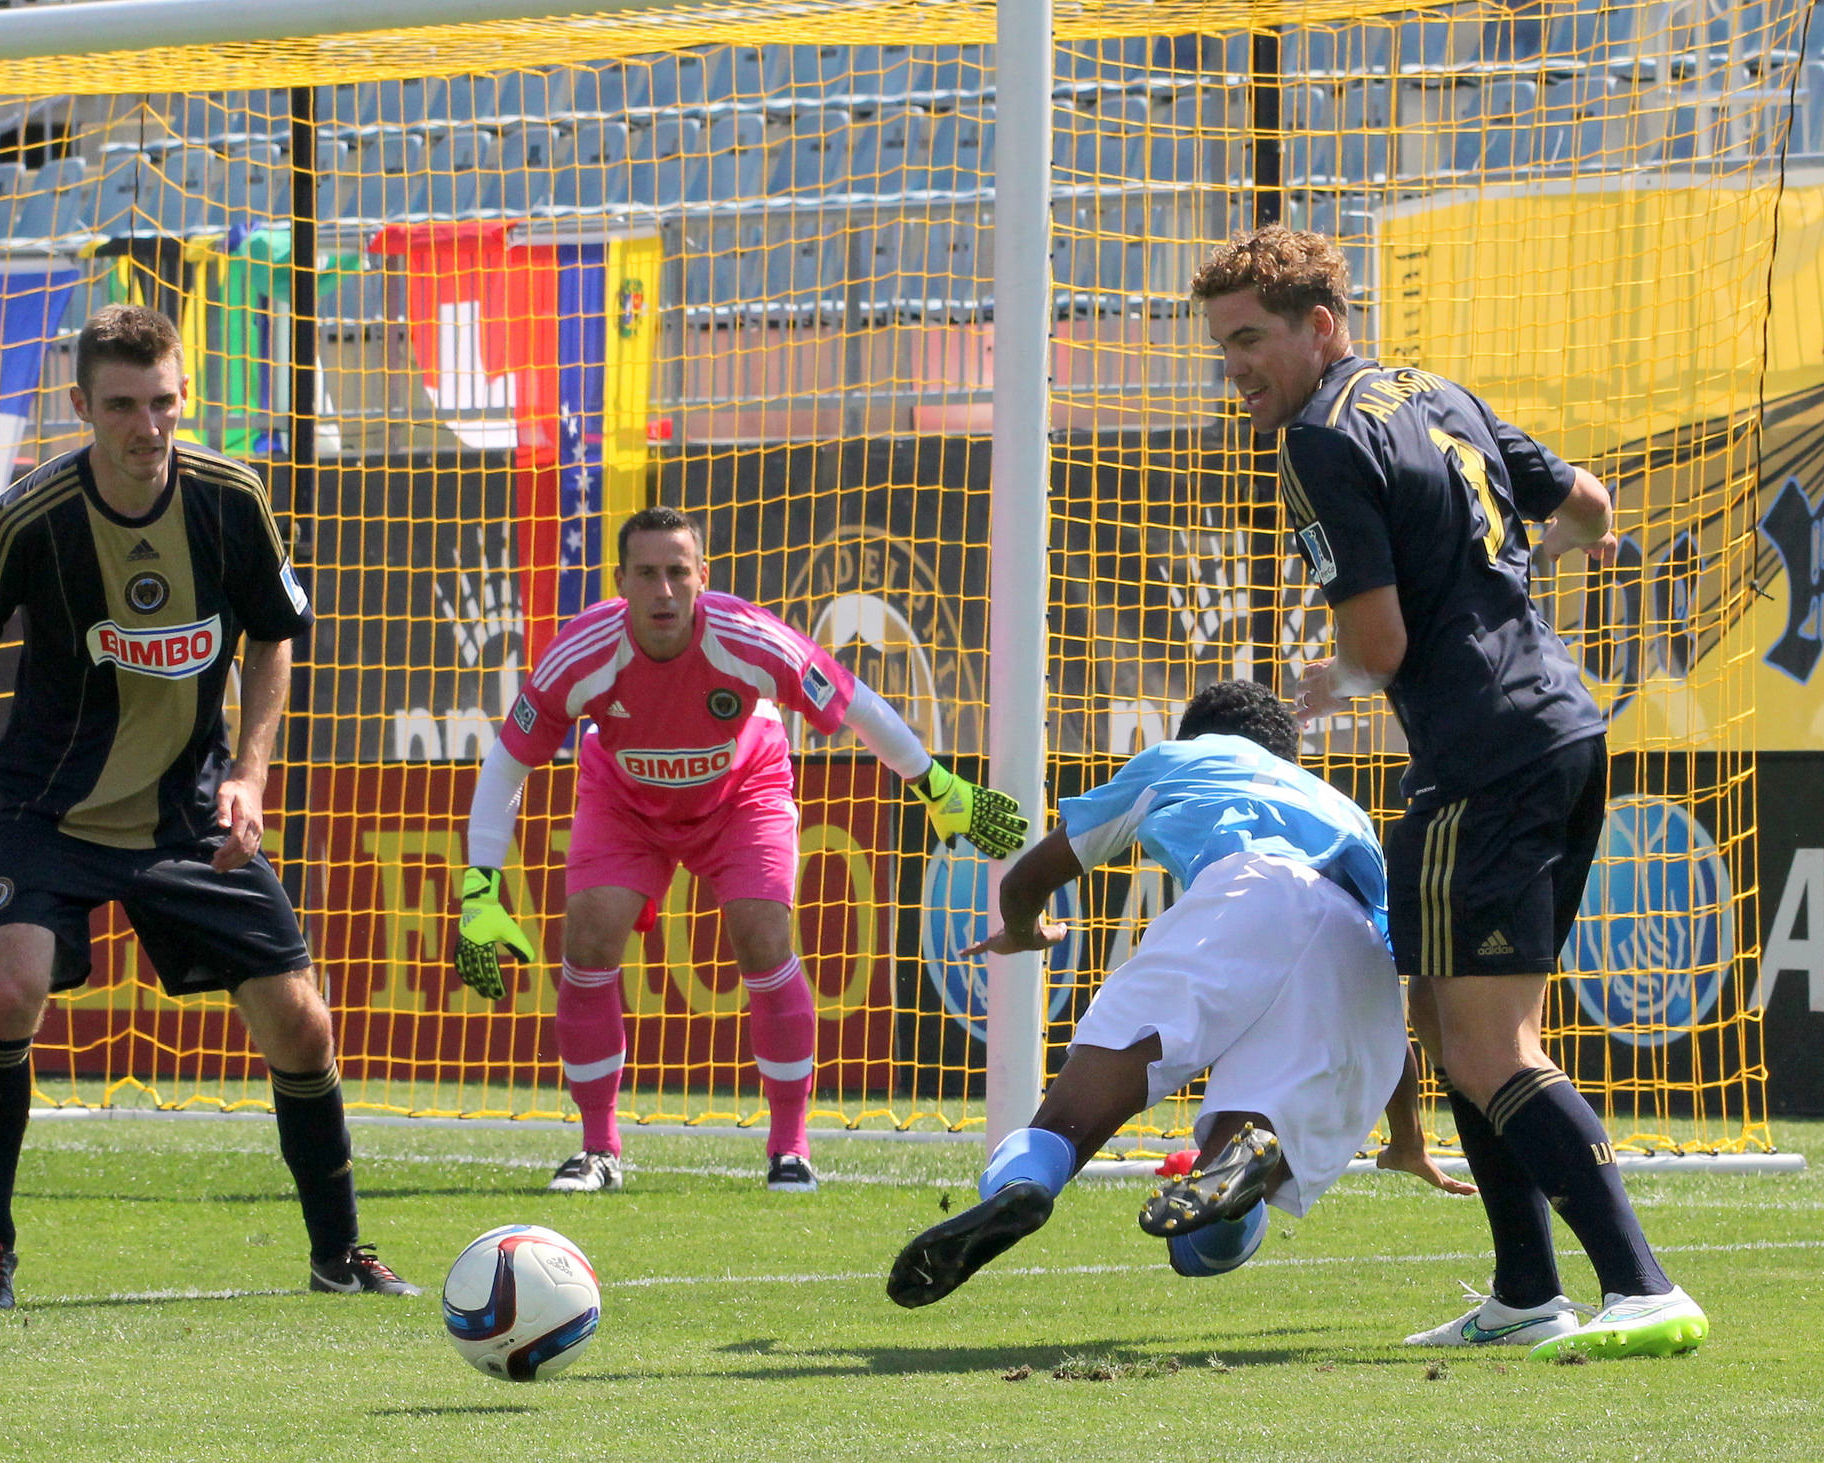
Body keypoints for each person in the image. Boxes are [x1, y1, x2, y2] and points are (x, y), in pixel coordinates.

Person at [1189, 225, 1707, 1360]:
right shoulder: (1433, 391)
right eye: (1220, 347)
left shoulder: (1321, 440)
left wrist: (1336, 679)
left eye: (1249, 341)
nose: (1234, 369)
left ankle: (1640, 1281)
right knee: (1442, 1011)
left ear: (1317, 326)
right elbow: (1585, 502)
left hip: (1483, 757)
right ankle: (1526, 1287)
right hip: (1556, 729)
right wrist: (1524, 575)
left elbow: (1377, 639)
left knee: (1485, 1045)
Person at [0, 304, 415, 1308]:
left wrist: (250, 769)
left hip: (190, 812)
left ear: (184, 397)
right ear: (81, 407)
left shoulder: (232, 499)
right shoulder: (33, 515)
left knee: (303, 1030)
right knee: (9, 994)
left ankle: (339, 1252)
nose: (147, 426)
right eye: (122, 406)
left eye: (164, 402)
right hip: (52, 810)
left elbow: (276, 630)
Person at [454, 505, 1028, 1194]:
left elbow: (855, 704)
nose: (663, 590)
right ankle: (598, 1147)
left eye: (676, 572)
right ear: (620, 582)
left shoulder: (748, 637)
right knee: (588, 936)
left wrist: (936, 785)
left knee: (762, 933)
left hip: (742, 791)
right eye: (646, 574)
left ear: (703, 576)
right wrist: (479, 886)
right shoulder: (581, 654)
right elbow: (507, 762)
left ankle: (791, 1147)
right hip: (624, 800)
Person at [886, 680, 1468, 1308]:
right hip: (1353, 958)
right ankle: (1245, 1164)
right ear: (1287, 756)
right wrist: (1408, 1139)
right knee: (1200, 1250)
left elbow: (1030, 876)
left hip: (1244, 897)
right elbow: (1388, 991)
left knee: (1064, 1125)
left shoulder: (1179, 761)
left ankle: (1022, 1188)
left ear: (1197, 735)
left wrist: (1027, 932)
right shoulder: (1343, 809)